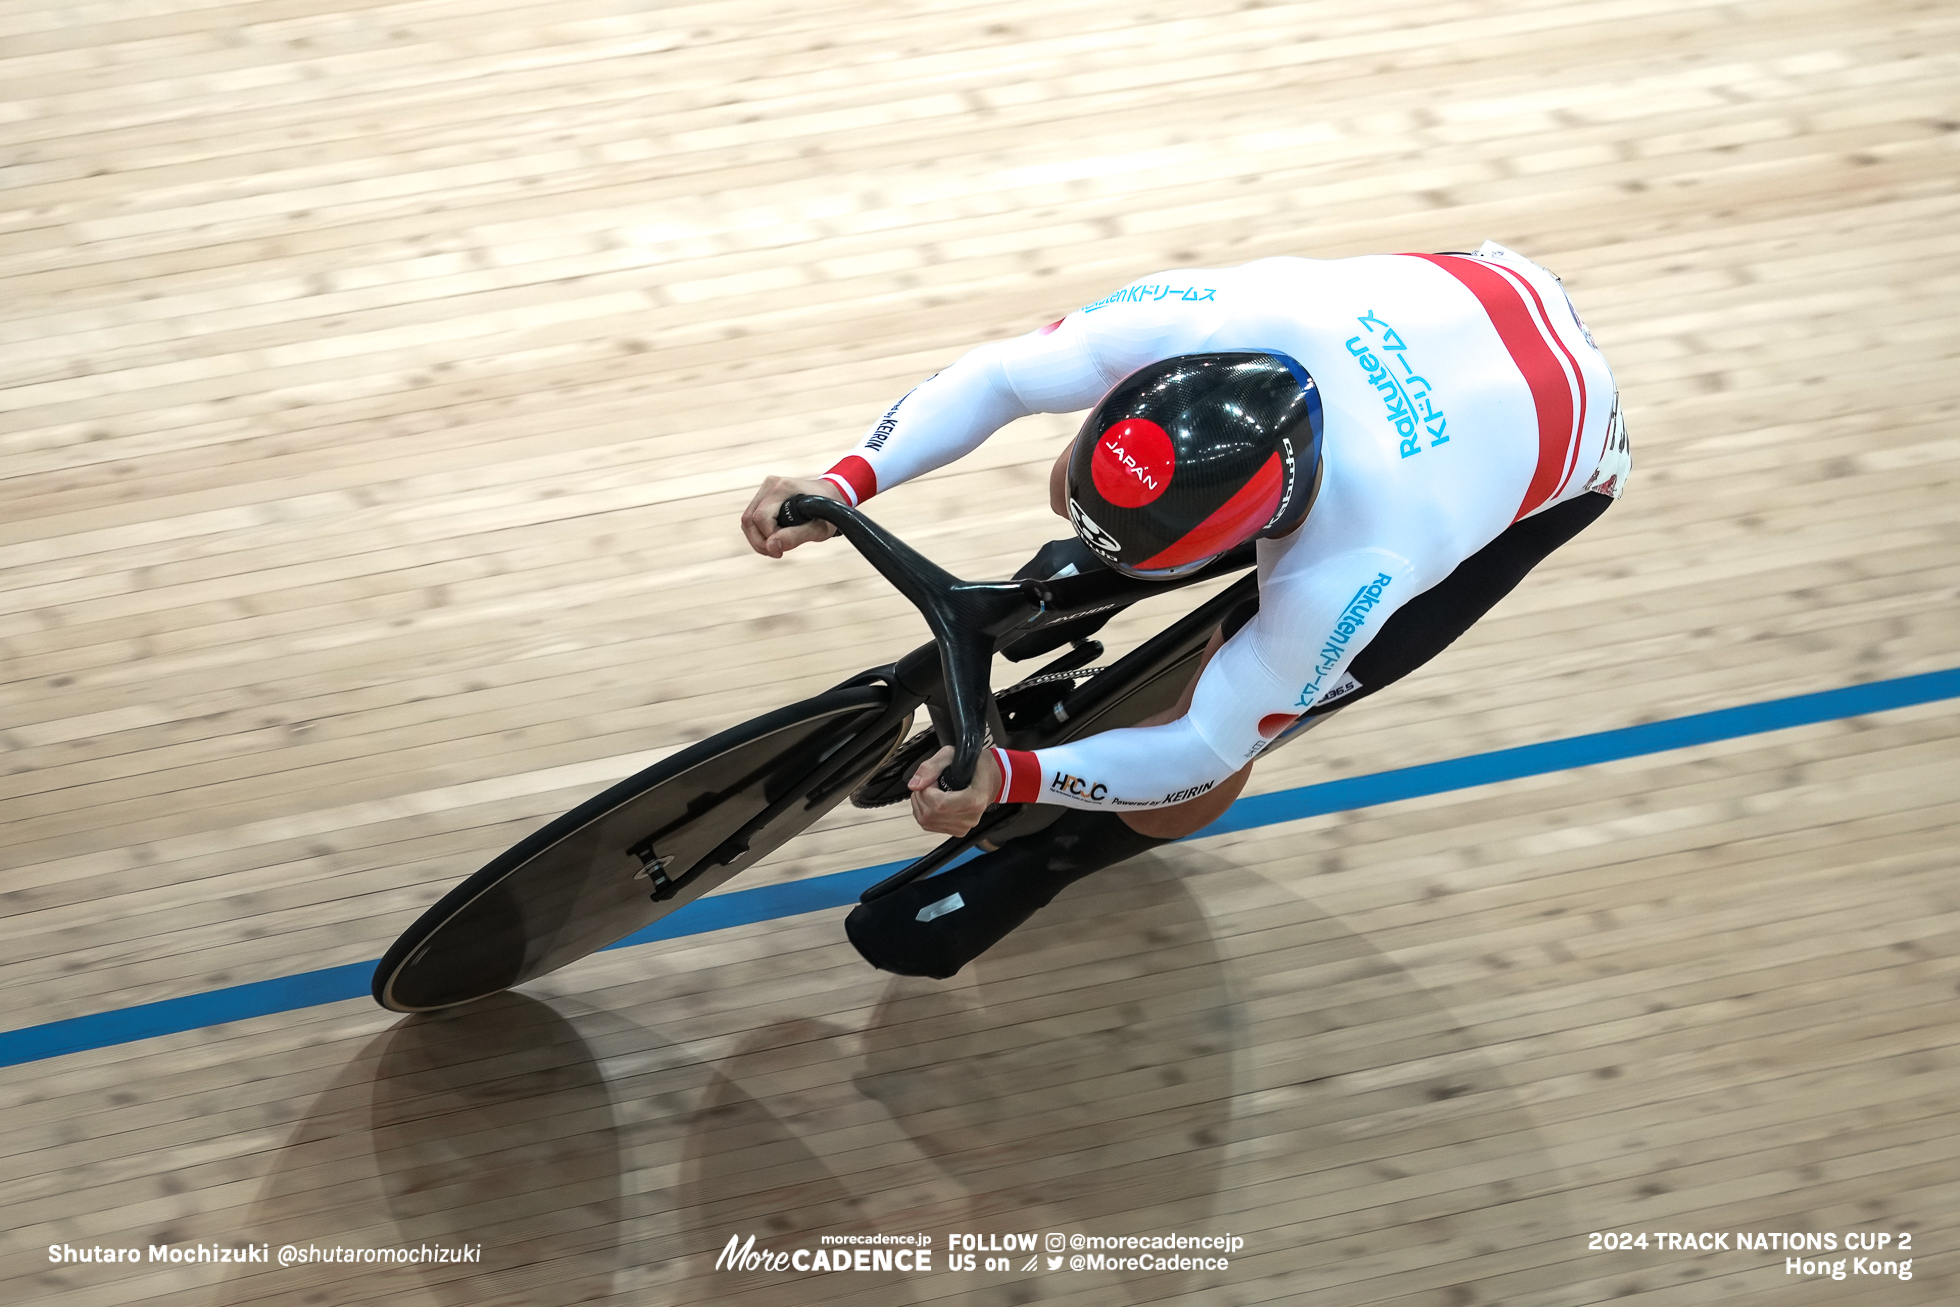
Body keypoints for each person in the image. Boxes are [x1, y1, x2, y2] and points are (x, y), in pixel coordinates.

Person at [740, 241, 1631, 979]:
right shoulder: (1201, 314)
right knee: (1069, 489)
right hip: (1480, 290)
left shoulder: (1362, 554)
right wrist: (845, 478)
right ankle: (1069, 589)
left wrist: (1018, 781)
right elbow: (1001, 379)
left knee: (1239, 713)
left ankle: (1055, 860)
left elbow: (1204, 744)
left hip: (1561, 446)